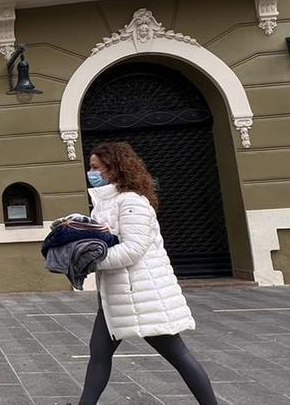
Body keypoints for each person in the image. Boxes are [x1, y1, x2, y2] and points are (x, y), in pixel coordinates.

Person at [79, 142, 218, 404]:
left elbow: (133, 249)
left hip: (143, 296)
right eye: (90, 167)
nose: (91, 172)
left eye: (95, 167)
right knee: (99, 354)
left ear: (113, 168)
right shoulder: (105, 204)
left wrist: (93, 261)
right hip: (116, 297)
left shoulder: (132, 202)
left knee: (177, 354)